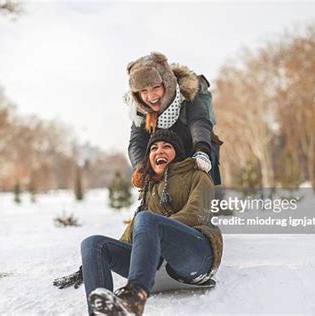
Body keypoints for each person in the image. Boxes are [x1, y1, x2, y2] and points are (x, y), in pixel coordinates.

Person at [53, 130, 223, 316]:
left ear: (178, 153)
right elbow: (132, 234)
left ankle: (134, 297)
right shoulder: (150, 188)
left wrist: (156, 230)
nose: (159, 151)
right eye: (153, 148)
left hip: (197, 257)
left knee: (146, 219)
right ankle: (101, 313)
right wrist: (89, 266)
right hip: (158, 264)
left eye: (167, 146)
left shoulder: (197, 175)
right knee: (93, 243)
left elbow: (196, 214)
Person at [125, 52, 223, 186]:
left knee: (197, 188)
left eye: (156, 87)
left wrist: (202, 151)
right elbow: (137, 142)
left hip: (195, 150)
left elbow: (199, 122)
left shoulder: (188, 95)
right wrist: (141, 168)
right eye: (144, 91)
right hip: (166, 160)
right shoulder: (141, 112)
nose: (151, 96)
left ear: (167, 84)